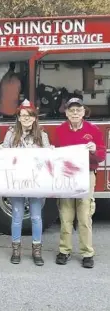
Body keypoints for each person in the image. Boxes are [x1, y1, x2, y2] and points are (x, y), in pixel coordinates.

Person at [54, 98, 106, 268]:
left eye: (78, 110)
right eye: (71, 110)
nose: (75, 113)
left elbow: (101, 155)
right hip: (67, 176)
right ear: (66, 113)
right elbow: (55, 155)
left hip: (86, 175)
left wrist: (94, 150)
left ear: (84, 112)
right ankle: (64, 250)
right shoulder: (60, 130)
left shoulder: (93, 130)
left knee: (84, 215)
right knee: (66, 214)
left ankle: (87, 253)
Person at [1, 99, 51, 266]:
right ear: (19, 117)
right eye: (23, 116)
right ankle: (16, 249)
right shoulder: (11, 134)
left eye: (29, 116)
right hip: (17, 182)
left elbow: (47, 159)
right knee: (17, 216)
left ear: (35, 118)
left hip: (35, 183)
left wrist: (49, 151)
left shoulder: (42, 135)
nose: (26, 119)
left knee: (36, 217)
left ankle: (37, 250)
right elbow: (4, 155)